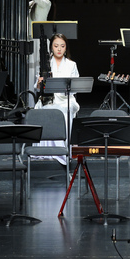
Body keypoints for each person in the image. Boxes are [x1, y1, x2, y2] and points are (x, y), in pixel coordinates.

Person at [33, 33, 80, 166]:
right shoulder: (45, 64)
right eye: (56, 46)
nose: (59, 49)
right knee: (46, 109)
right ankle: (47, 152)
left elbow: (76, 88)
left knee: (65, 109)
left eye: (62, 46)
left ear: (66, 48)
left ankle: (63, 151)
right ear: (51, 47)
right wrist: (39, 83)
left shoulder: (71, 64)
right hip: (49, 98)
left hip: (66, 99)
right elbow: (37, 87)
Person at [27, 0, 57, 106]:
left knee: (37, 72)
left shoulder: (46, 2)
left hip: (39, 42)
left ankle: (39, 103)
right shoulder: (33, 3)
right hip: (30, 40)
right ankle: (29, 104)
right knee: (29, 73)